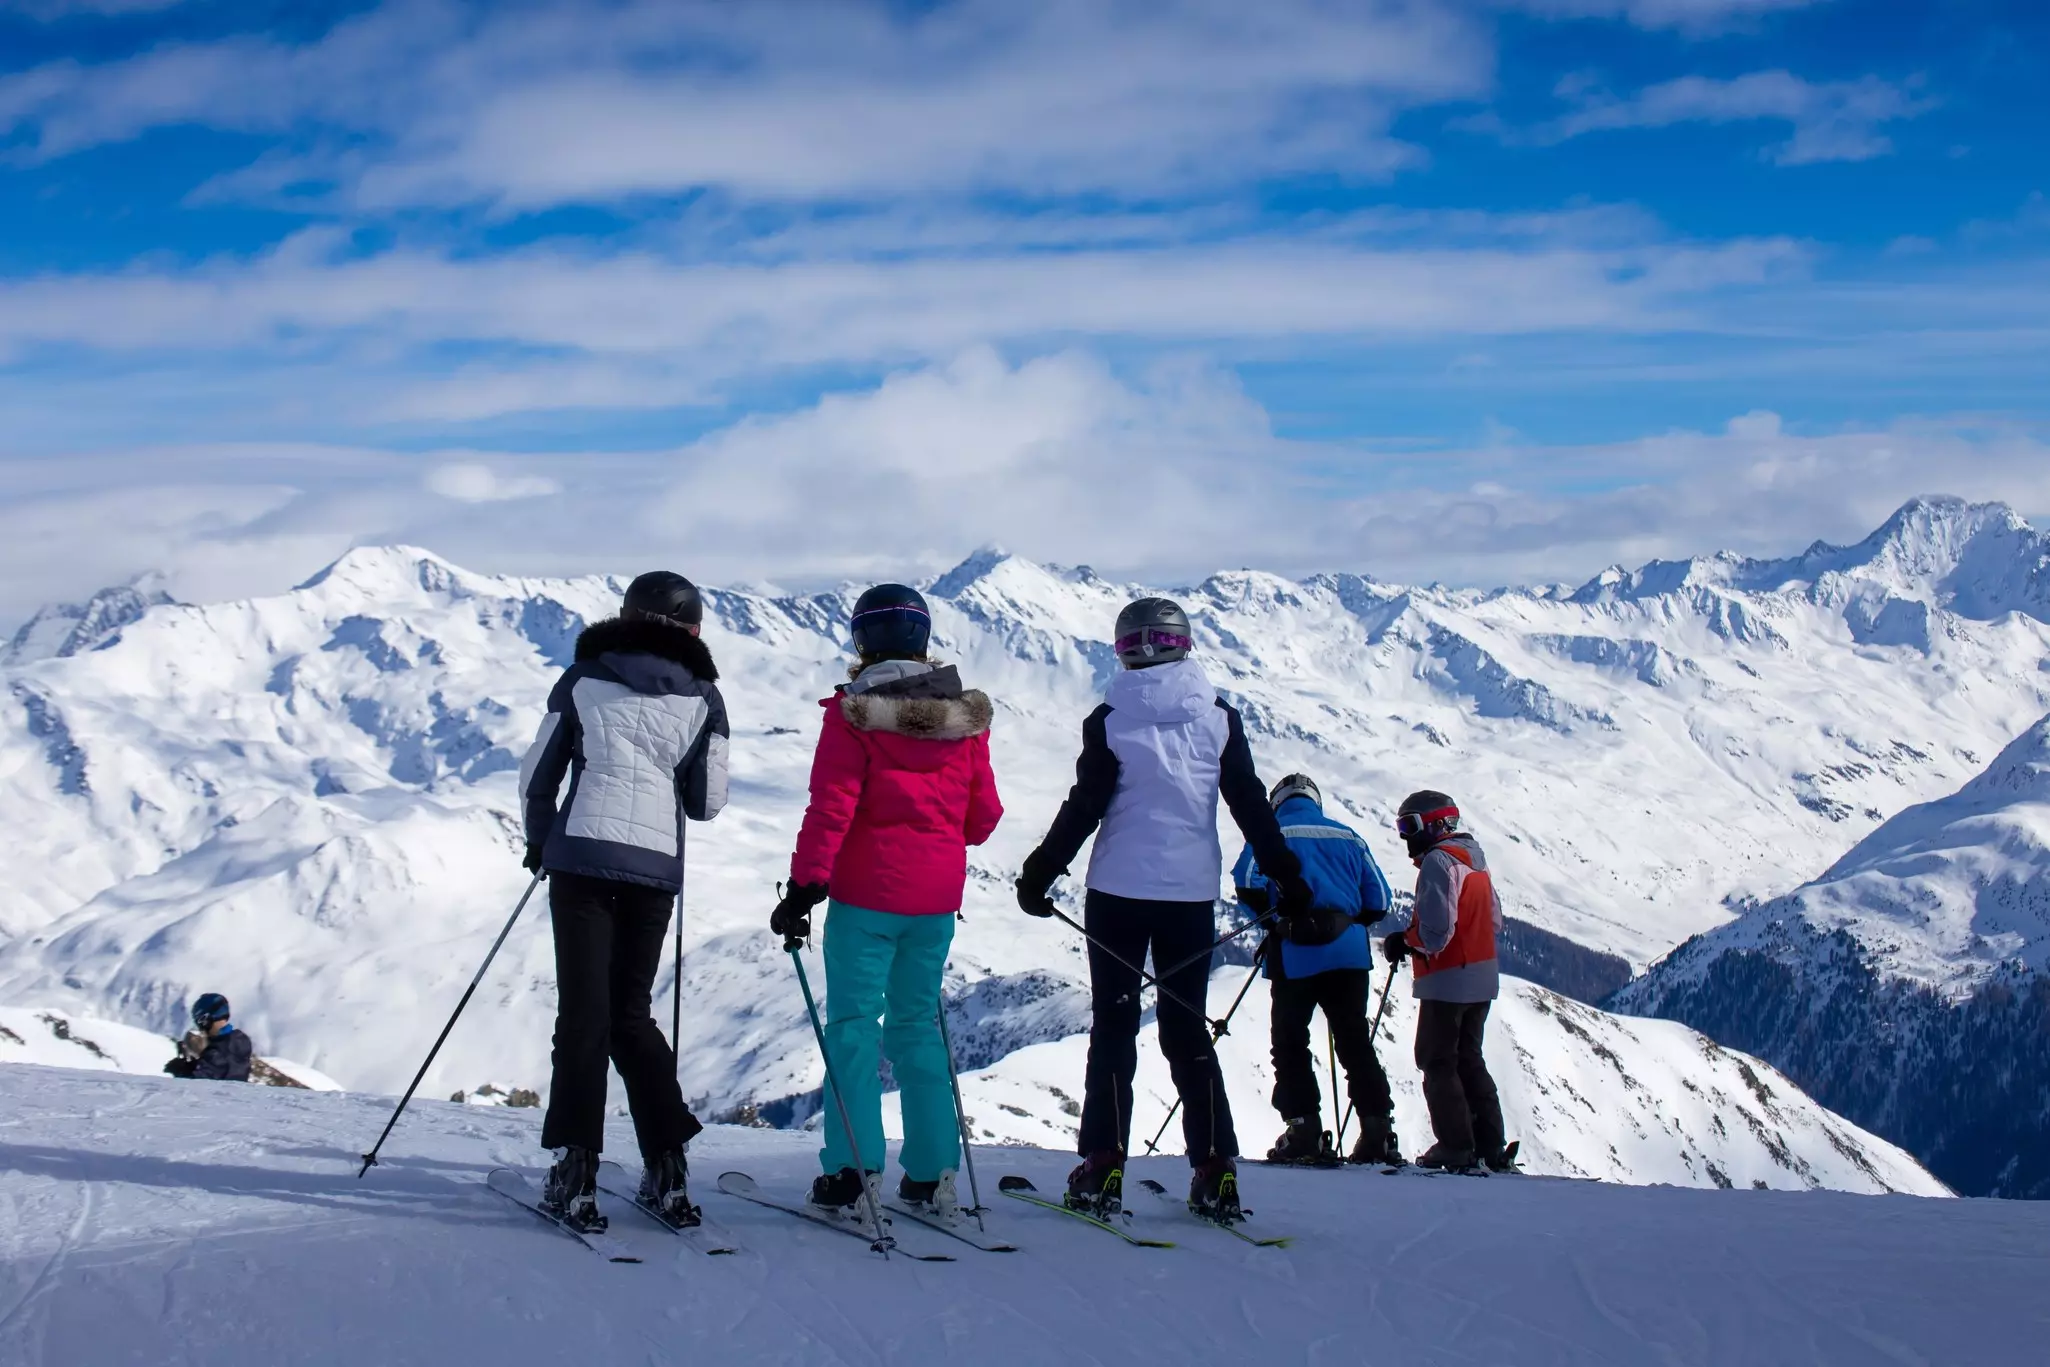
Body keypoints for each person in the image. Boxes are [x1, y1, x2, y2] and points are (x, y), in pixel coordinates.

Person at [1016, 597, 1312, 1223]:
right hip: (1188, 897)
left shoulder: (1109, 720)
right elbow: (1251, 806)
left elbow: (1084, 807)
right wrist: (1288, 877)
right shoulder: (1219, 719)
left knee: (1115, 1030)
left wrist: (1040, 871)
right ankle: (1214, 1169)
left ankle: (1103, 1165)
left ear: (1122, 648)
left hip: (1118, 894)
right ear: (1186, 644)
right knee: (1187, 1031)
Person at [770, 583, 1002, 1220]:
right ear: (924, 641)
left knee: (852, 1029)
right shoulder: (966, 723)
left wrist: (804, 889)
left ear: (862, 641)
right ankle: (932, 1175)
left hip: (865, 898)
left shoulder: (852, 714)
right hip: (934, 903)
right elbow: (984, 819)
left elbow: (832, 807)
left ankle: (852, 1170)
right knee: (916, 1029)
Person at [519, 569, 729, 1232]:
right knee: (631, 1017)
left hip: (580, 858)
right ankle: (668, 1169)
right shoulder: (705, 697)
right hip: (654, 871)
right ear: (694, 630)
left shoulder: (584, 678)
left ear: (626, 615)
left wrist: (541, 839)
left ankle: (577, 1173)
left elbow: (537, 774)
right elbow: (705, 802)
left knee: (584, 1015)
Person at [1231, 773, 1398, 1167]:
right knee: (1355, 1041)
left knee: (1290, 1043)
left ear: (1277, 802)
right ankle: (1378, 1131)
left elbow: (1245, 881)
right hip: (1348, 955)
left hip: (1294, 953)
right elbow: (1380, 899)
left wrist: (1271, 922)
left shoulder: (1270, 834)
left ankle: (1304, 1129)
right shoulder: (1349, 837)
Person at [1382, 789, 1511, 1172]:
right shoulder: (1475, 860)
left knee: (1436, 1058)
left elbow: (1436, 932)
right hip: (1482, 974)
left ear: (1437, 823)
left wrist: (1404, 941)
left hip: (1448, 977)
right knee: (1469, 1057)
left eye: (1410, 825)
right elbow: (1494, 921)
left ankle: (1456, 1145)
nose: (1406, 835)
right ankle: (1490, 1144)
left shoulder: (1439, 862)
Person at [163, 993, 253, 1082]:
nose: (201, 1028)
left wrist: (180, 1071)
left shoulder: (217, 1053)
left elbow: (199, 1085)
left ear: (205, 1020)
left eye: (200, 1022)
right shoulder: (240, 1039)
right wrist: (194, 1064)